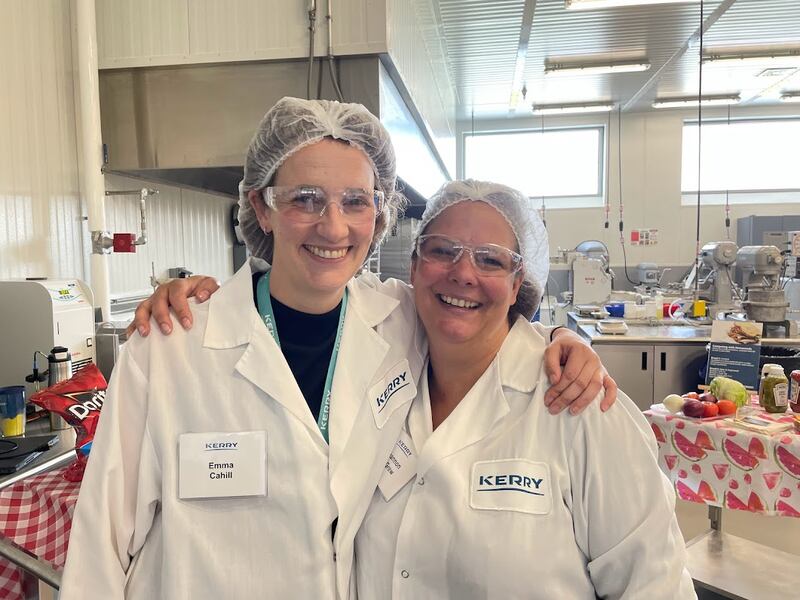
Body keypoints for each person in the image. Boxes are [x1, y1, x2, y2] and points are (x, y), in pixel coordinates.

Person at [62, 97, 614, 599]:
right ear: (262, 207)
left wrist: (564, 340)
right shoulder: (170, 346)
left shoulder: (398, 316)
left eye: (355, 201)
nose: (334, 227)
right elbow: (99, 548)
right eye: (306, 199)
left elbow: (478, 315)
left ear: (379, 213)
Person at [354, 179, 695, 599]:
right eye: (442, 250)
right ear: (413, 266)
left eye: (491, 261)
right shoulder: (379, 371)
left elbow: (653, 584)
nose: (463, 273)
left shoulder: (582, 403)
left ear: (518, 284)